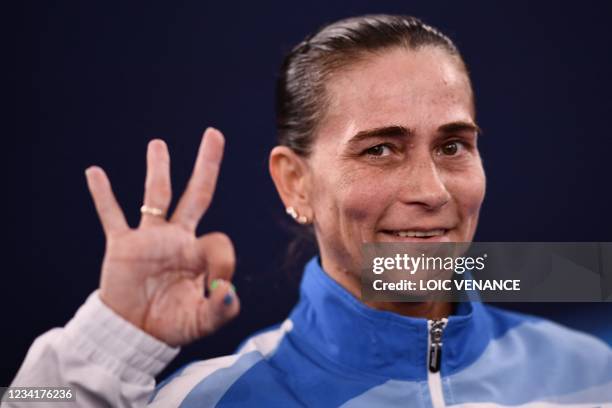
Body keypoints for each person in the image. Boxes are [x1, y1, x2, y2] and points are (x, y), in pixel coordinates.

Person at [8, 14, 611, 407]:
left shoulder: (594, 372)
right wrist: (111, 340)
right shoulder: (211, 399)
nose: (431, 189)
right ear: (295, 183)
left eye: (453, 146)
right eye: (380, 149)